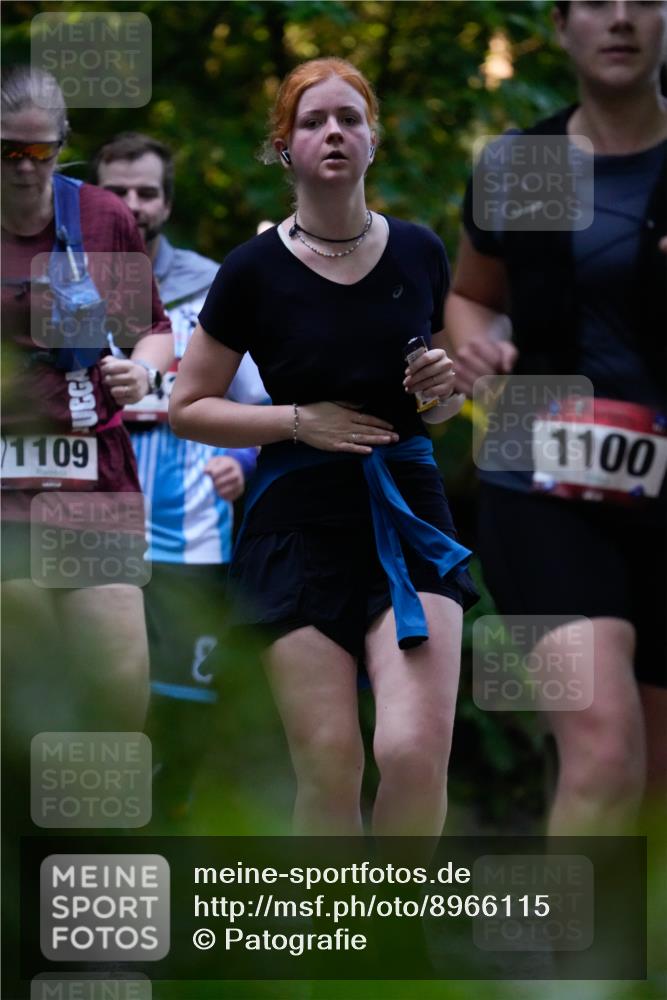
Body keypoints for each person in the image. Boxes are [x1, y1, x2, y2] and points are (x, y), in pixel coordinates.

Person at [170, 57, 478, 837]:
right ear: (284, 148)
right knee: (329, 764)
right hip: (293, 525)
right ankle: (333, 948)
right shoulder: (251, 271)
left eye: (349, 118)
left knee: (411, 750)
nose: (333, 132)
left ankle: (399, 947)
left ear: (374, 141)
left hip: (407, 513)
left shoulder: (417, 251)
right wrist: (298, 421)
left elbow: (438, 406)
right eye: (313, 122)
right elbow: (187, 408)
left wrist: (440, 391)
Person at [445, 0, 667, 834]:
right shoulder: (523, 164)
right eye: (595, 4)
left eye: (640, 1)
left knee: (650, 788)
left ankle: (630, 962)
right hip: (539, 484)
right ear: (561, 26)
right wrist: (475, 353)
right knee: (604, 754)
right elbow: (470, 299)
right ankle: (570, 970)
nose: (619, 20)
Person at [91, 133, 268, 820]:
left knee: (183, 705)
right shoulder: (58, 286)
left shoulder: (215, 285)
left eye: (146, 191)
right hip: (89, 527)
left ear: (166, 201)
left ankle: (169, 833)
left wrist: (244, 463)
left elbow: (260, 402)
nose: (132, 205)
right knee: (104, 696)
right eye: (117, 191)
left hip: (192, 535)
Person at [1, 66, 173, 735]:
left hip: (91, 472)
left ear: (63, 144)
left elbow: (152, 332)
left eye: (38, 152)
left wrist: (143, 373)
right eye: (6, 151)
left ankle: (94, 837)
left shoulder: (103, 218)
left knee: (118, 691)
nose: (21, 168)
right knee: (30, 677)